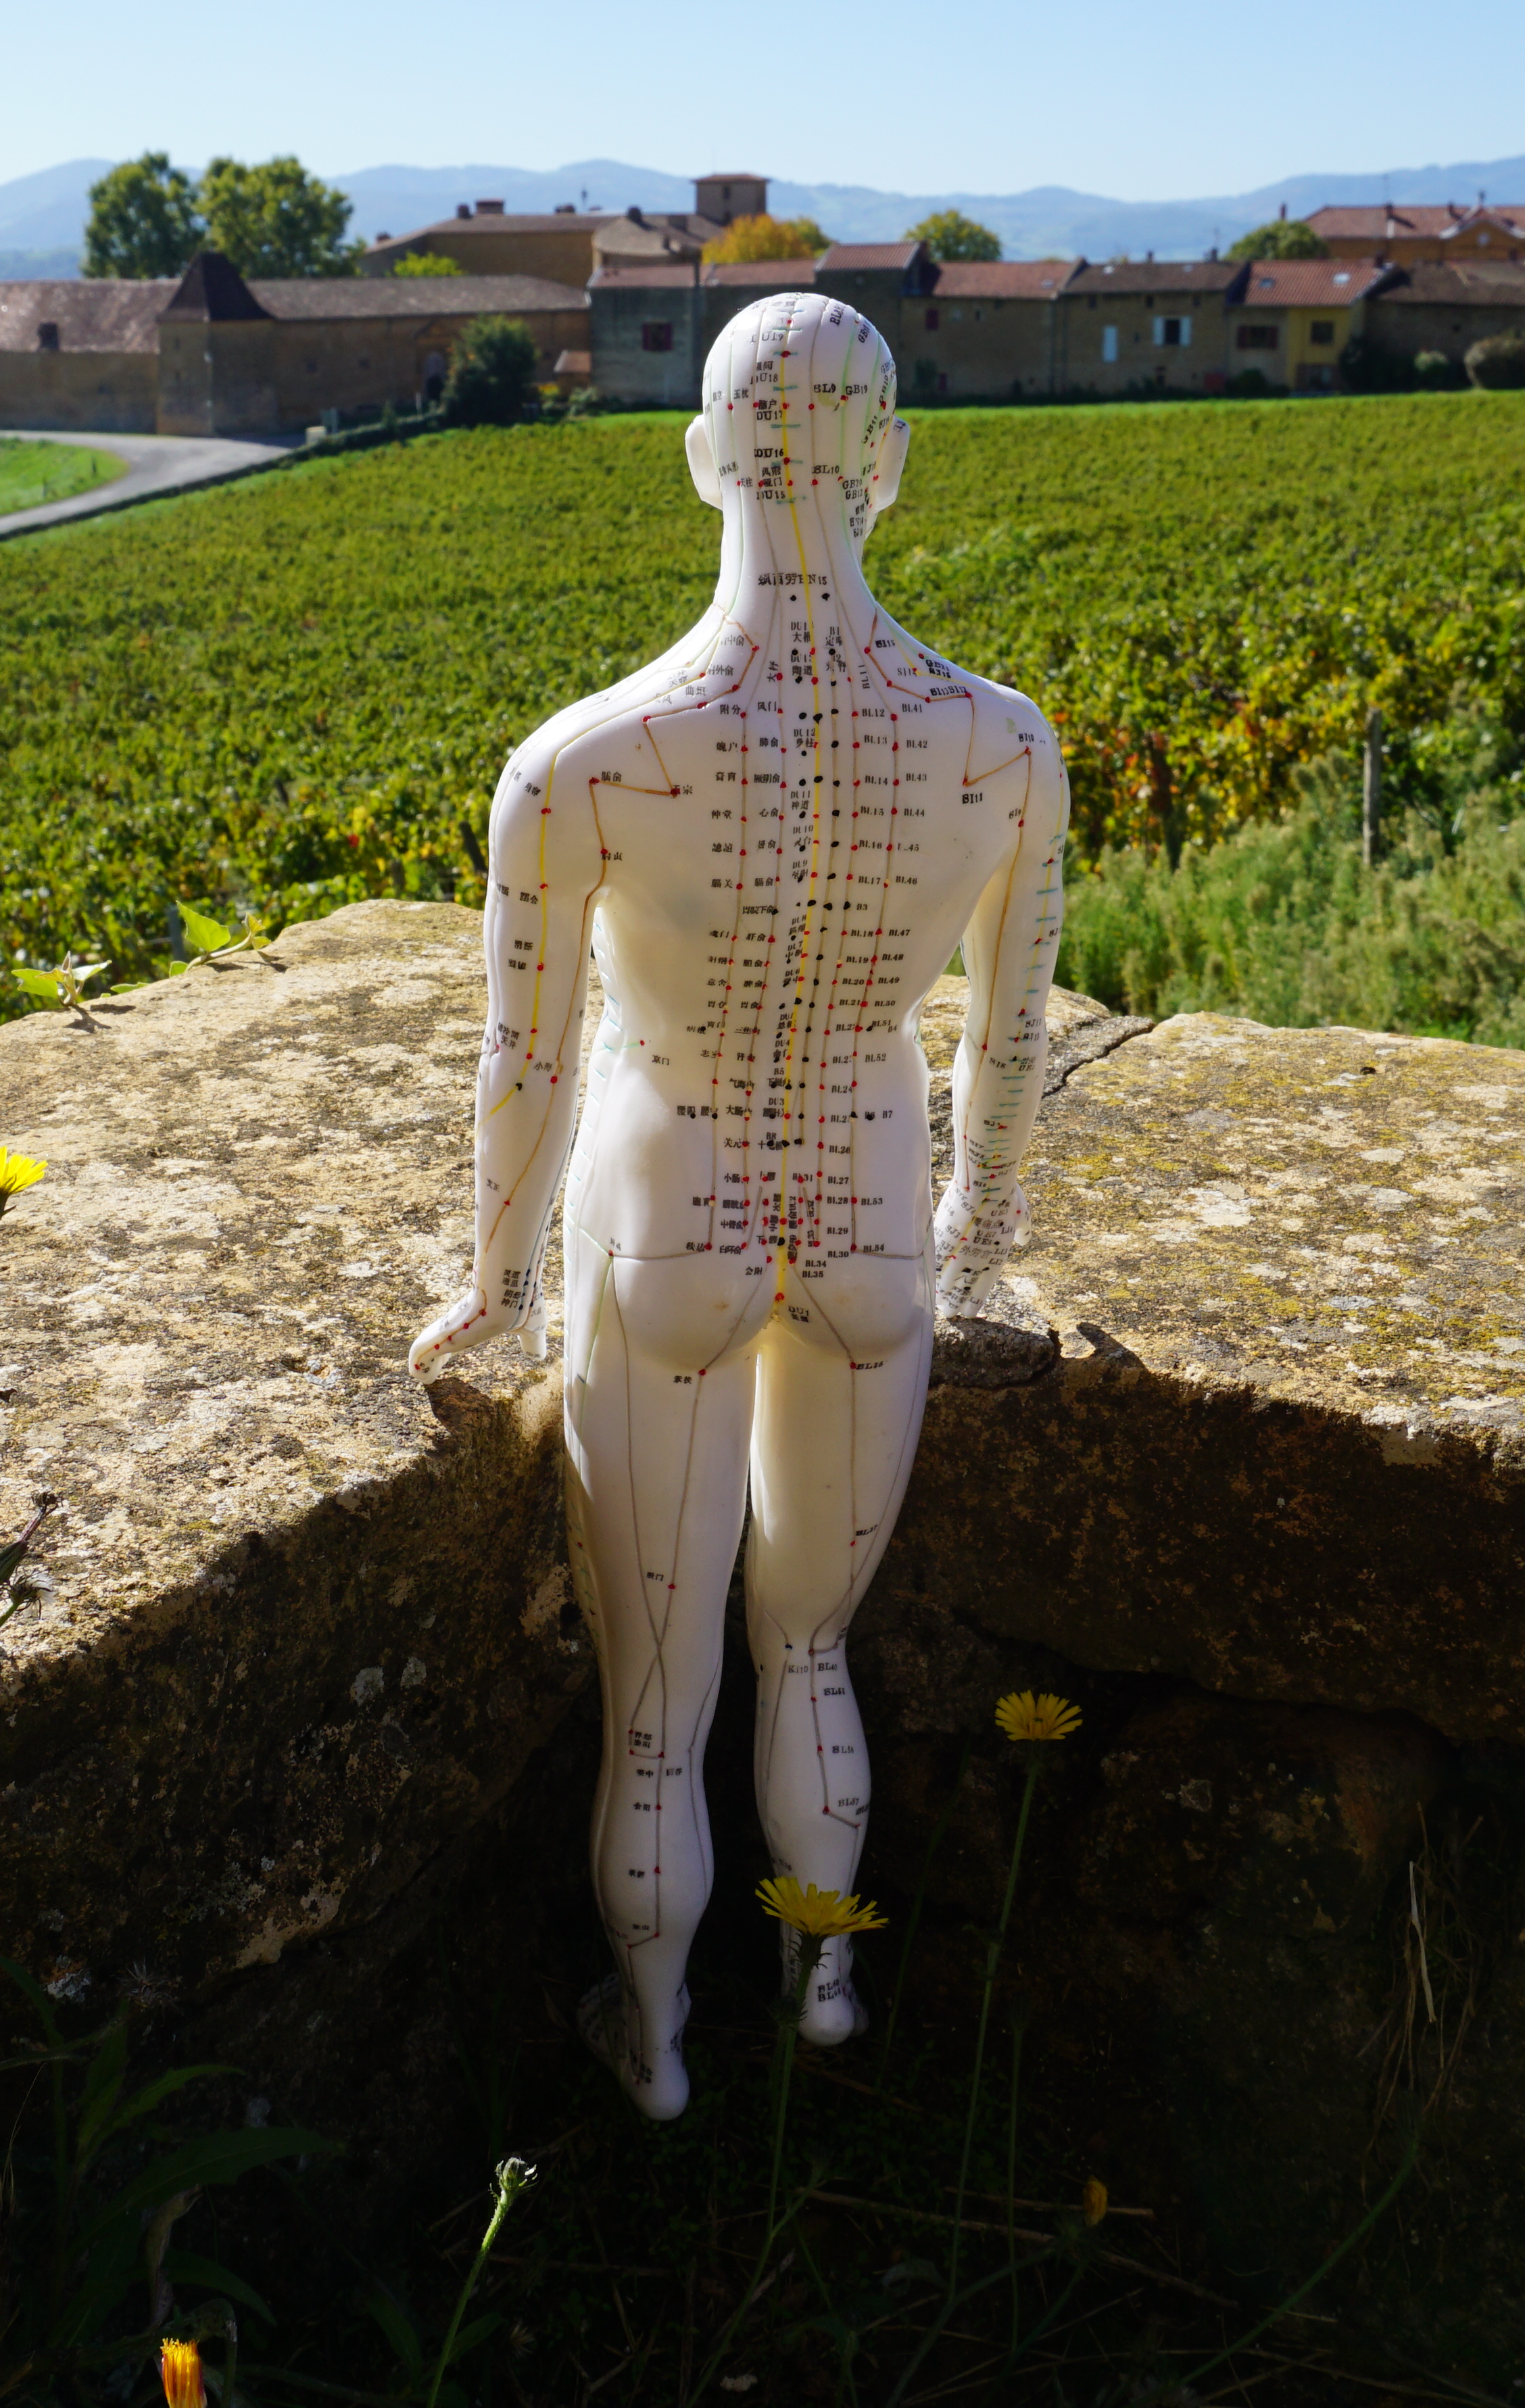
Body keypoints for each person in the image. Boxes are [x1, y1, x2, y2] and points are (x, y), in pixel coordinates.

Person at [410, 293, 1069, 2119]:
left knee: (655, 1704)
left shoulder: (583, 759)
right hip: (874, 1226)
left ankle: (659, 2047)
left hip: (665, 1220)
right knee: (811, 1645)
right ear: (892, 465)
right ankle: (825, 1988)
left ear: (705, 457)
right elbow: (1010, 1045)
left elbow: (524, 1066)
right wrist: (982, 1226)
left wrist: (490, 1281)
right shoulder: (1003, 744)